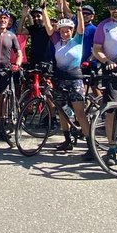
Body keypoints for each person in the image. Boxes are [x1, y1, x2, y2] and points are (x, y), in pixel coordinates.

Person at [50, 17, 90, 155]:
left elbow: (82, 29)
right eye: (62, 31)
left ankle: (91, 147)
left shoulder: (77, 40)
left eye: (67, 31)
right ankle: (67, 140)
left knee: (80, 113)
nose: (65, 33)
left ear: (72, 31)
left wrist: (79, 9)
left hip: (75, 79)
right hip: (60, 79)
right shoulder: (57, 42)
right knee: (61, 111)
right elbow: (49, 30)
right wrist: (44, 10)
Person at [0, 7, 24, 142]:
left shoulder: (12, 35)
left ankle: (2, 128)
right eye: (0, 18)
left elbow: (19, 53)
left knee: (3, 100)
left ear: (8, 20)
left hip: (5, 71)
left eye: (5, 18)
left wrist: (18, 64)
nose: (3, 20)